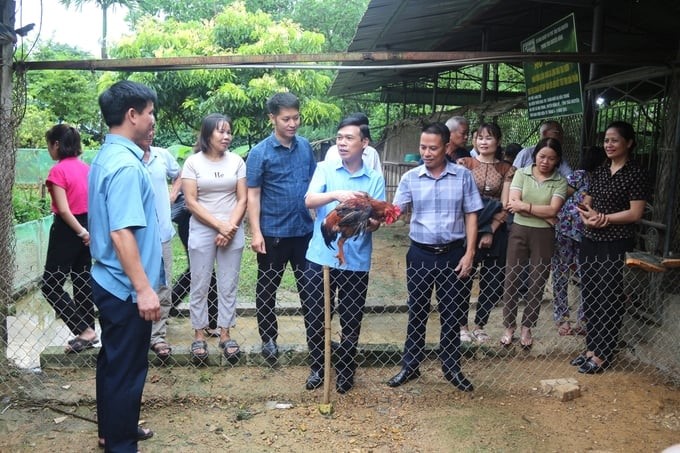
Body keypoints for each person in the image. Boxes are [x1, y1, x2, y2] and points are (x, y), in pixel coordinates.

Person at [88, 80, 160, 452]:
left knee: (113, 363)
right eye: (149, 113)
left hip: (108, 278)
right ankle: (120, 444)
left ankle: (111, 431)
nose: (152, 120)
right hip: (125, 287)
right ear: (132, 115)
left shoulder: (107, 156)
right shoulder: (126, 167)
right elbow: (122, 234)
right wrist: (144, 289)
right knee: (128, 371)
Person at [387, 122, 482, 392]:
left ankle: (451, 367)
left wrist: (469, 253)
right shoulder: (410, 178)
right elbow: (395, 212)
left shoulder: (462, 176)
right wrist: (378, 213)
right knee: (416, 311)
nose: (426, 153)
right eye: (422, 147)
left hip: (453, 254)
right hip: (419, 254)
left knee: (452, 313)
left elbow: (471, 214)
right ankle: (410, 365)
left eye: (433, 147)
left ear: (446, 147)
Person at [301, 116, 387, 393]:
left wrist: (372, 223)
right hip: (320, 256)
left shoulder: (373, 178)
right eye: (339, 137)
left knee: (350, 319)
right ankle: (318, 366)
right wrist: (335, 194)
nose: (342, 142)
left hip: (356, 260)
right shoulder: (325, 168)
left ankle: (346, 370)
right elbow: (309, 200)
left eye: (349, 138)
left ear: (365, 143)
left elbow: (376, 220)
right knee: (316, 315)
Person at [572, 121, 651, 374]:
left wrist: (604, 218)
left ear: (628, 143)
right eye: (606, 140)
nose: (609, 144)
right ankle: (591, 348)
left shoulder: (636, 173)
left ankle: (604, 353)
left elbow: (635, 213)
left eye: (614, 140)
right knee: (591, 293)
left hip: (615, 241)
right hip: (590, 238)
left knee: (609, 295)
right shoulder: (602, 170)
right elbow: (586, 202)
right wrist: (587, 216)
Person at [246, 92, 317, 365]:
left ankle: (316, 341)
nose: (292, 123)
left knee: (310, 290)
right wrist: (256, 232)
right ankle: (269, 339)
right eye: (286, 118)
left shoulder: (305, 147)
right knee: (267, 289)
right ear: (272, 118)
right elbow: (253, 195)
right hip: (273, 233)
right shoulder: (259, 153)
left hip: (304, 233)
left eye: (296, 117)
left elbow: (314, 184)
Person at [182, 113, 247, 364]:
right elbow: (191, 201)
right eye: (221, 131)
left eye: (229, 131)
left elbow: (242, 198)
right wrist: (219, 225)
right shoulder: (193, 163)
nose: (226, 136)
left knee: (228, 284)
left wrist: (229, 228)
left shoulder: (237, 161)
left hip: (232, 229)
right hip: (202, 229)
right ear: (208, 134)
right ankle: (199, 334)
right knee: (199, 282)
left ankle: (225, 333)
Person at [501, 137, 567, 349]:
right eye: (541, 156)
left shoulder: (560, 181)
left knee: (537, 281)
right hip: (519, 230)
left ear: (557, 161)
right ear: (534, 156)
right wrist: (543, 212)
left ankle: (527, 326)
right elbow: (512, 203)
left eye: (551, 158)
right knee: (512, 278)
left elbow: (553, 210)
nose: (545, 162)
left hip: (544, 235)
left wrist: (526, 206)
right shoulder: (522, 173)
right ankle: (509, 325)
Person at [40, 124, 96, 353]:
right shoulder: (87, 169)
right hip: (88, 227)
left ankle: (83, 330)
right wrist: (88, 232)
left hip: (68, 230)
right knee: (82, 280)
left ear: (56, 144)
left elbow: (63, 210)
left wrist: (80, 232)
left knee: (50, 285)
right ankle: (88, 331)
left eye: (49, 145)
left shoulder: (58, 171)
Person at [457, 123, 514, 344]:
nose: (483, 141)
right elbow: (459, 200)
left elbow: (505, 204)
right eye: (479, 137)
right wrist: (476, 230)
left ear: (498, 141)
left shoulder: (507, 169)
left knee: (491, 279)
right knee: (463, 276)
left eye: (488, 138)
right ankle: (461, 325)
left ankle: (480, 325)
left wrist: (490, 230)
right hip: (465, 229)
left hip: (495, 230)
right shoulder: (464, 164)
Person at [551, 145, 606, 336]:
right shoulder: (579, 176)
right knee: (562, 274)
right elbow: (560, 198)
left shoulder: (603, 178)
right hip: (567, 231)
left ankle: (582, 319)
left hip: (585, 233)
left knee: (585, 276)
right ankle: (563, 318)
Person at [139, 129, 182, 360]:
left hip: (162, 234)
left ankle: (157, 336)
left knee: (163, 286)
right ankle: (137, 334)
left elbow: (180, 174)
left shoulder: (162, 155)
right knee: (135, 284)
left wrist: (173, 194)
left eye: (153, 129)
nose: (151, 133)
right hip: (135, 236)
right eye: (147, 129)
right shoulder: (128, 159)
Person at [170, 186, 220, 336]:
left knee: (199, 269)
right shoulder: (194, 163)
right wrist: (173, 194)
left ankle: (167, 308)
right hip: (191, 219)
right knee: (201, 268)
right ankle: (212, 322)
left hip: (213, 218)